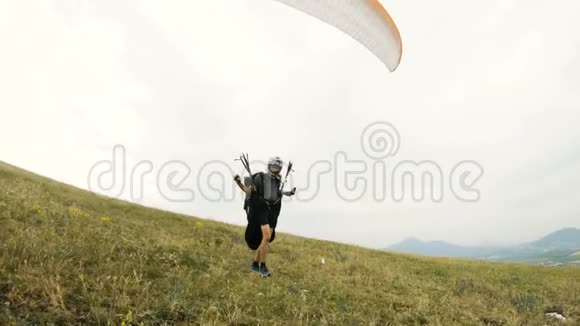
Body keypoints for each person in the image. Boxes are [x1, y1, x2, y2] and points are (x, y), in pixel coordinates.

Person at [234, 156, 296, 277]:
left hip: (272, 212)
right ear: (269, 166)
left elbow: (277, 193)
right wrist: (238, 182)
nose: (275, 169)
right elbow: (248, 191)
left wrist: (289, 193)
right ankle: (263, 266)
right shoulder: (260, 177)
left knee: (266, 239)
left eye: (277, 167)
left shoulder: (277, 181)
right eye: (273, 166)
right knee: (266, 236)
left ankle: (254, 264)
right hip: (260, 209)